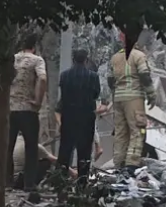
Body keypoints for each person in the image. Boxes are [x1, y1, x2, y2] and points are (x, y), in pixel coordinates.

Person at [108, 32, 157, 173]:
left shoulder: (115, 57)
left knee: (120, 132)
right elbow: (144, 75)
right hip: (134, 97)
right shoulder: (138, 56)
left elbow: (110, 80)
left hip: (118, 98)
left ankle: (119, 163)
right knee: (138, 130)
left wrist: (115, 93)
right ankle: (132, 164)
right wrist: (151, 94)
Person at [7, 33, 47, 193]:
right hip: (28, 110)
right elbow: (42, 79)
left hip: (10, 109)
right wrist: (38, 101)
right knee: (31, 148)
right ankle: (29, 184)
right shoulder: (37, 60)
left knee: (7, 147)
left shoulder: (13, 59)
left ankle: (6, 183)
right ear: (35, 46)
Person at [56, 49, 101, 180]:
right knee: (84, 153)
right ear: (86, 60)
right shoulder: (93, 77)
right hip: (86, 119)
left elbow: (63, 96)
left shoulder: (64, 75)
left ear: (73, 59)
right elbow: (96, 94)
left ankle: (60, 182)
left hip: (68, 117)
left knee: (65, 151)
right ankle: (82, 183)